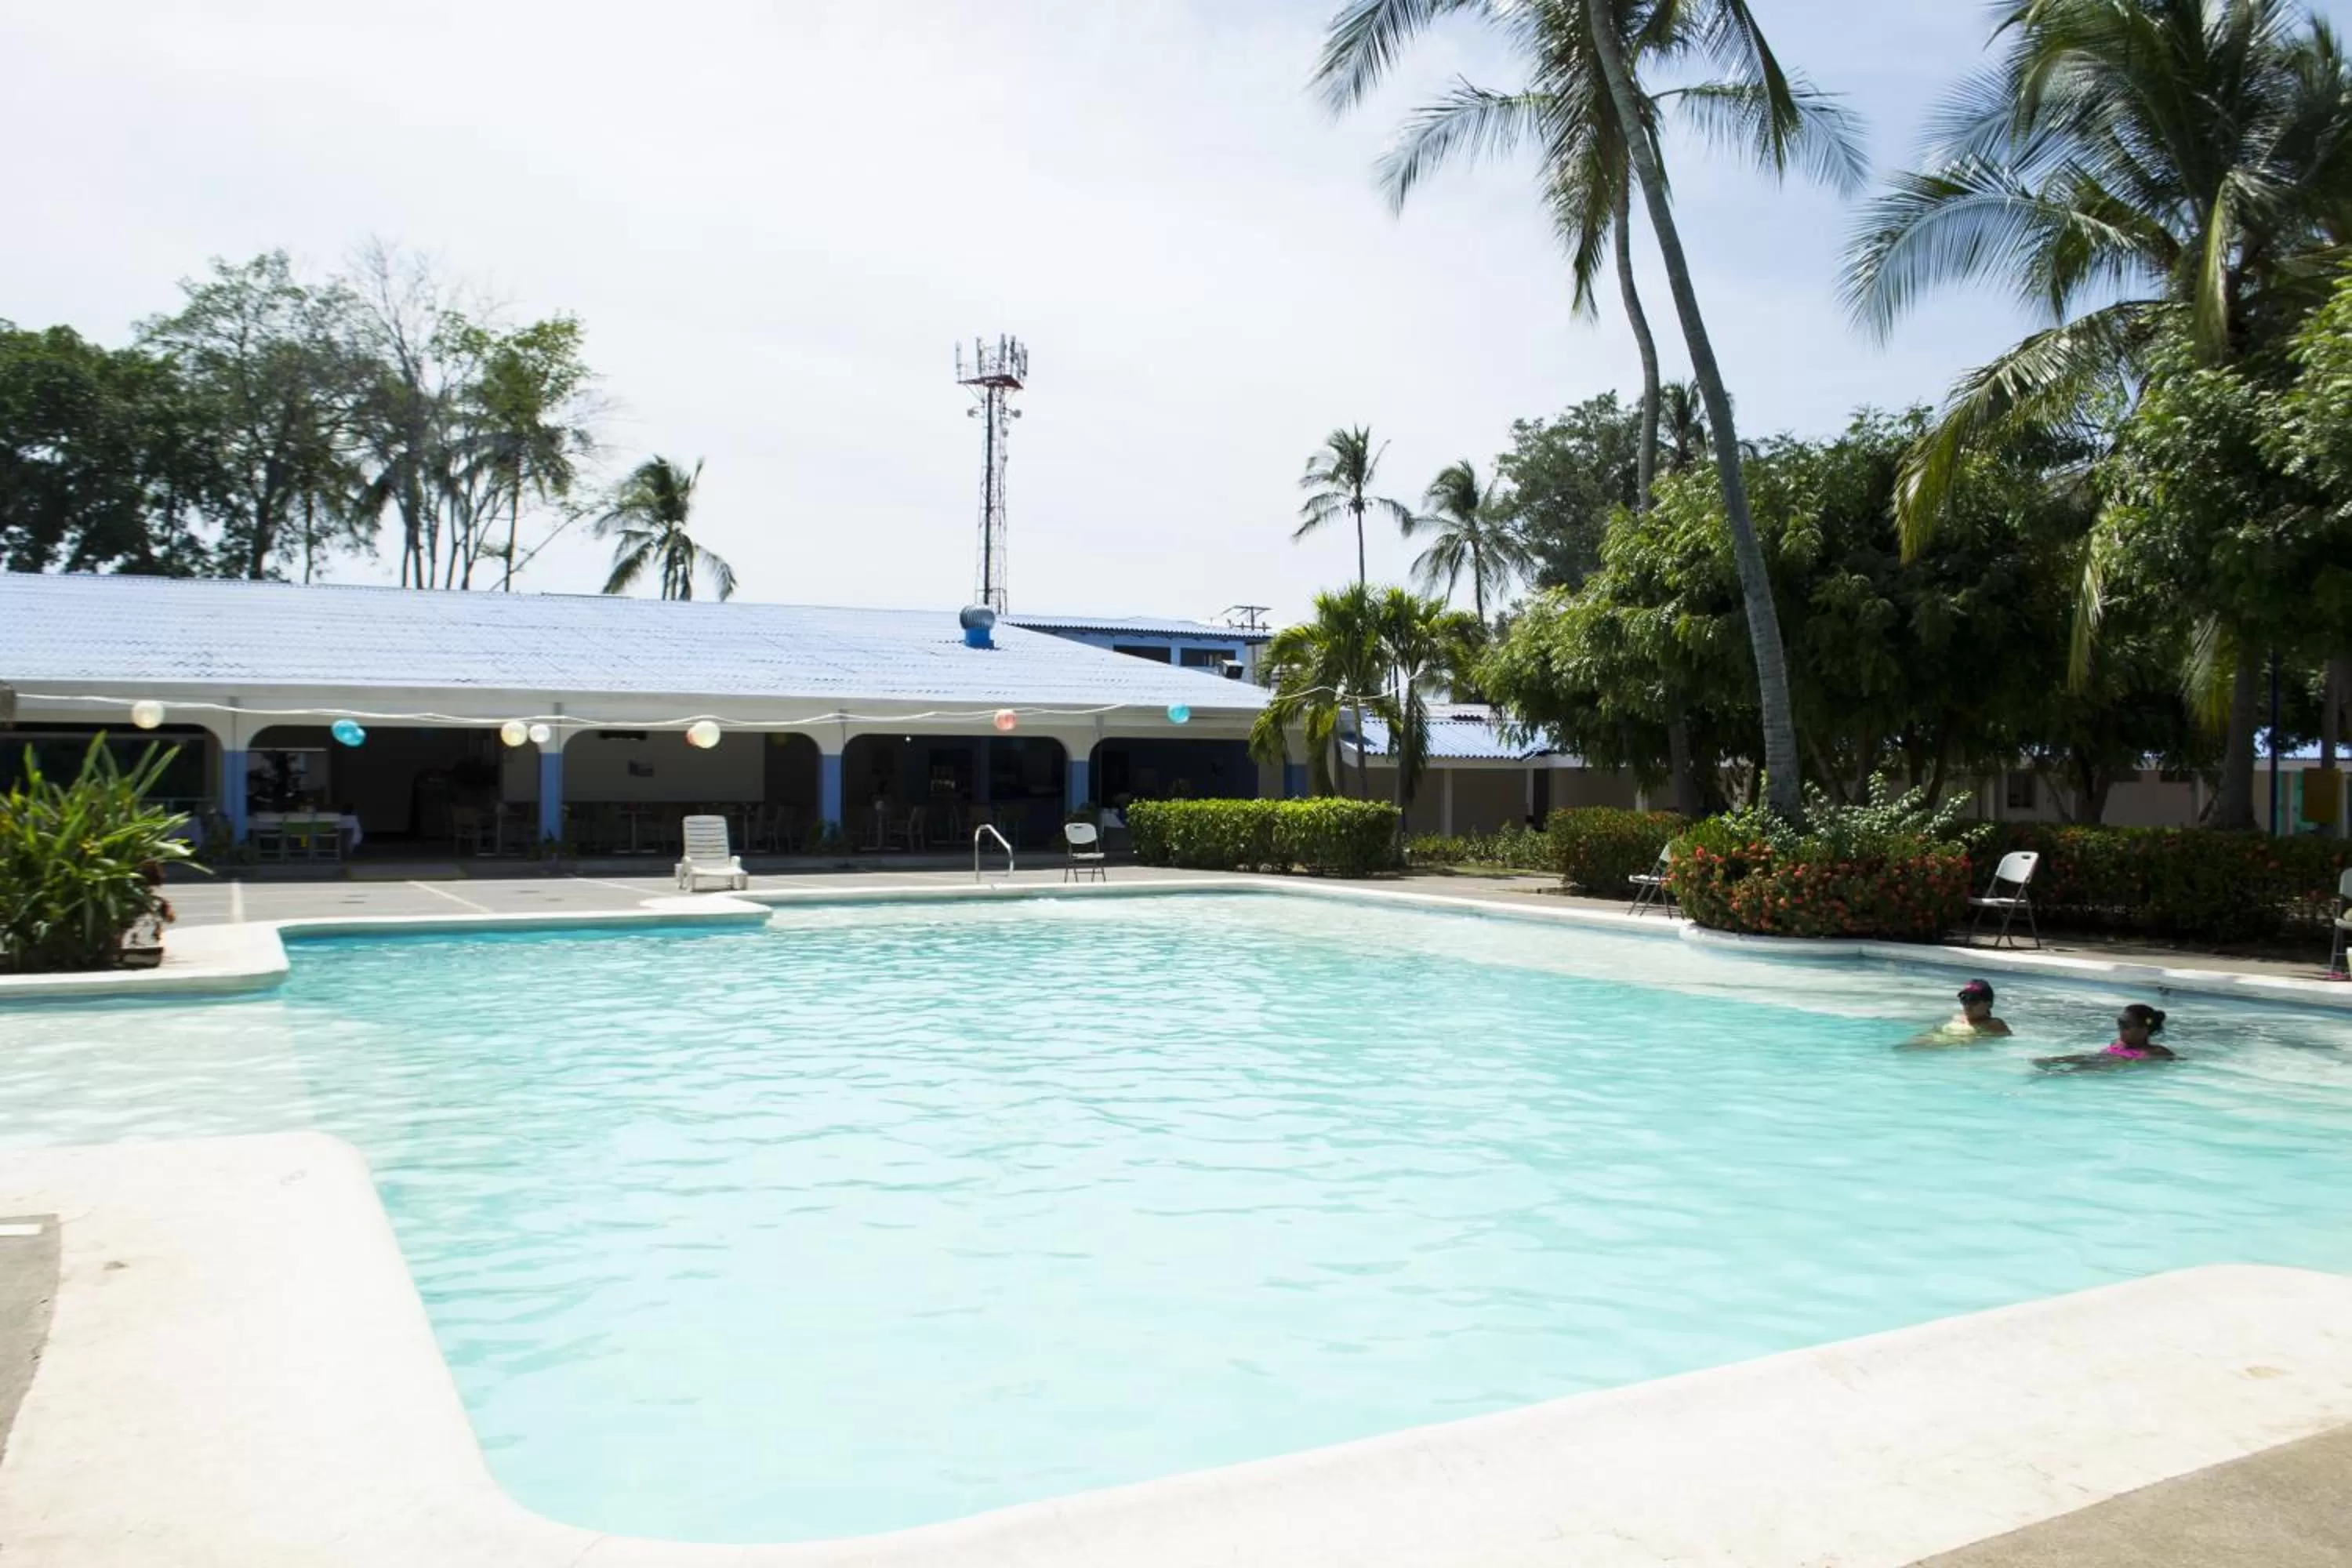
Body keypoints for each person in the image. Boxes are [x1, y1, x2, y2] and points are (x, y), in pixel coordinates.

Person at [2034, 1004, 2176, 1071]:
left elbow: (2174, 1061)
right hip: (2099, 1060)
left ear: (2144, 1030)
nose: (2121, 1029)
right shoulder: (2117, 1043)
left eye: (2126, 1025)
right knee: (2084, 1057)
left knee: (2114, 1061)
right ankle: (2053, 1062)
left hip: (2112, 1067)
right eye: (2120, 1024)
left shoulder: (2156, 1051)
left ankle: (2062, 1073)